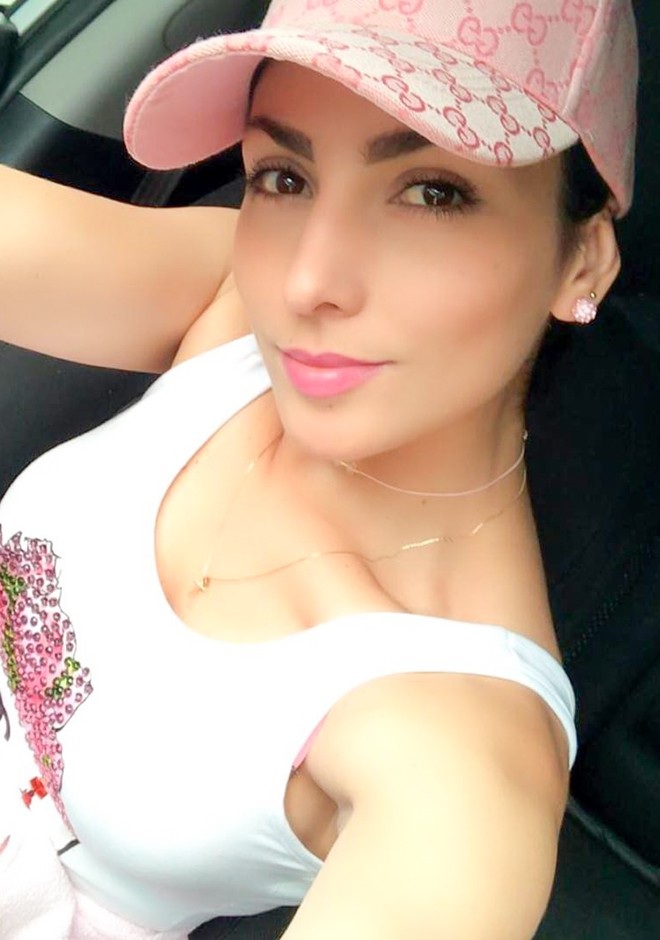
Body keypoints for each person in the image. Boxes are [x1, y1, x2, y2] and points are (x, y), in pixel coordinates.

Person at [0, 1, 638, 938]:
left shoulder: (457, 765)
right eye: (283, 176)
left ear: (582, 259)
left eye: (432, 193)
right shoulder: (235, 308)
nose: (305, 283)